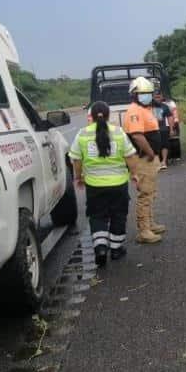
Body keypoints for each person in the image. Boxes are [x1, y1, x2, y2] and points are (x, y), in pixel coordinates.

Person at [69, 101, 139, 266]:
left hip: (94, 185)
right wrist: (134, 174)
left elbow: (76, 160)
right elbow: (130, 156)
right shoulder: (119, 132)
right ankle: (116, 249)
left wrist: (78, 177)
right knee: (118, 215)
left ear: (91, 116)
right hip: (118, 184)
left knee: (97, 216)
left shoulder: (82, 134)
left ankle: (100, 248)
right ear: (109, 116)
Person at [123, 76, 165, 244]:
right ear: (134, 95)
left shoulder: (145, 109)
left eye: (149, 93)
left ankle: (150, 224)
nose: (147, 95)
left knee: (151, 193)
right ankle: (144, 230)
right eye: (143, 93)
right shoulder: (134, 110)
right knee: (145, 193)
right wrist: (149, 153)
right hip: (143, 158)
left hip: (150, 157)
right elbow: (138, 136)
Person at [153, 90, 174, 170]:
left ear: (161, 97)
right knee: (155, 146)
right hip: (153, 130)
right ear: (153, 97)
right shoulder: (149, 106)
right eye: (156, 97)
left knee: (165, 145)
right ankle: (157, 163)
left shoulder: (165, 106)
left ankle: (164, 162)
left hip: (163, 129)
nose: (157, 99)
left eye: (159, 97)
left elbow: (170, 117)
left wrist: (171, 129)